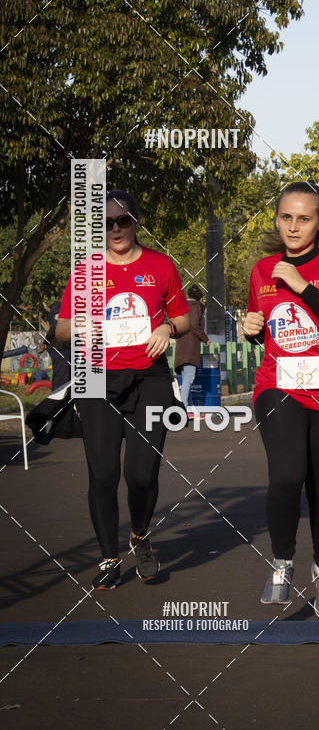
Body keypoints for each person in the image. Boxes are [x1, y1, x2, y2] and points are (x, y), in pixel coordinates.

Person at [56, 190, 190, 589]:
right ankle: (108, 558)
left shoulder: (160, 265)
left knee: (141, 473)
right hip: (96, 379)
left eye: (123, 221)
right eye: (107, 223)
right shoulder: (86, 270)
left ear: (137, 221)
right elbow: (60, 328)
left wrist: (167, 327)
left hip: (150, 377)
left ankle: (140, 537)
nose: (115, 229)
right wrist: (80, 326)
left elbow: (182, 318)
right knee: (104, 474)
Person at [243, 181, 319, 621]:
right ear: (277, 219)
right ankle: (281, 564)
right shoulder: (261, 270)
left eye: (304, 218)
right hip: (279, 385)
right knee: (286, 475)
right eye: (286, 217)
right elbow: (269, 331)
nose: (293, 227)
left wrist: (300, 284)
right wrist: (252, 328)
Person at [174, 285, 209, 414]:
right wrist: (205, 339)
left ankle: (189, 407)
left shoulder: (182, 306)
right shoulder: (197, 307)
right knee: (189, 377)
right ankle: (183, 409)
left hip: (181, 345)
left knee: (185, 378)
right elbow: (194, 325)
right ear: (200, 299)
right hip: (190, 347)